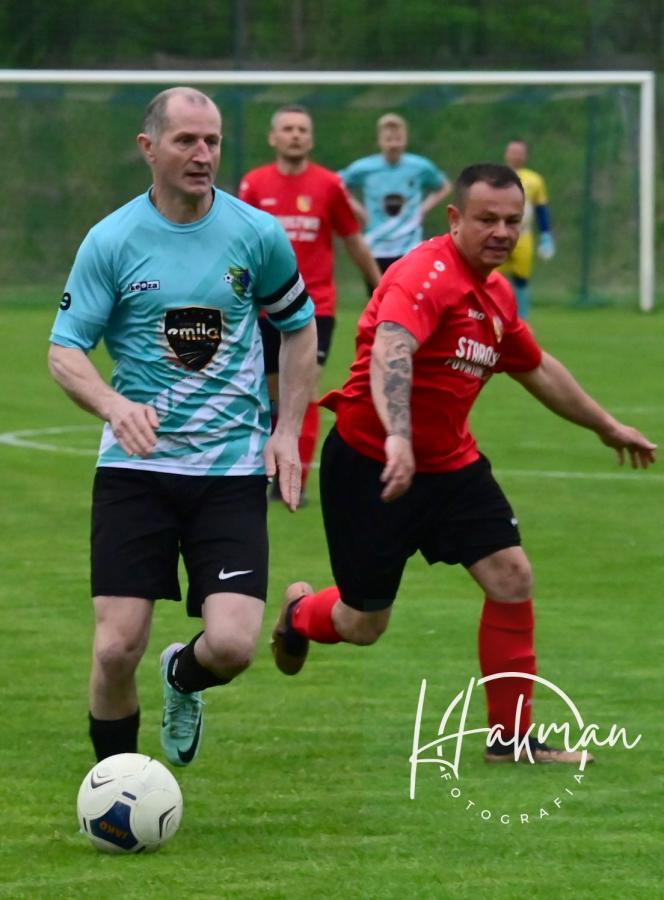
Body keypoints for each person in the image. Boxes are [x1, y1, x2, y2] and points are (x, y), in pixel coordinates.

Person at [270, 163, 656, 764]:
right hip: (372, 463)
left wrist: (607, 426)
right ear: (454, 218)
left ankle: (511, 741)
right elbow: (393, 349)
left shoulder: (497, 294)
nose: (501, 232)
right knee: (363, 624)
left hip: (451, 466)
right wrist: (399, 437)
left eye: (512, 221)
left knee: (512, 576)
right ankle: (299, 614)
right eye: (486, 219)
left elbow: (536, 367)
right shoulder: (423, 276)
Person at [48, 87, 317, 767]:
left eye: (213, 141)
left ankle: (182, 675)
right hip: (135, 469)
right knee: (116, 647)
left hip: (229, 470)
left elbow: (299, 326)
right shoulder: (112, 240)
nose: (203, 155)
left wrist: (287, 430)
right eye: (186, 141)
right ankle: (112, 789)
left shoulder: (256, 234)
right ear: (149, 148)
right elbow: (64, 350)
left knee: (231, 647)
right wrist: (113, 405)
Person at [238, 104, 381, 502]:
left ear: (311, 138)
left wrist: (381, 286)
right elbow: (239, 245)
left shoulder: (329, 185)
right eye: (288, 128)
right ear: (273, 138)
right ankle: (270, 472)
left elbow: (353, 239)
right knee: (273, 397)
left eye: (302, 129)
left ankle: (294, 481)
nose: (295, 135)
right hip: (265, 307)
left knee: (304, 389)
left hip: (315, 307)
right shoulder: (254, 185)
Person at [338, 112, 450, 283]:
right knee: (379, 295)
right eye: (388, 139)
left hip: (409, 247)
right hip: (376, 245)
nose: (393, 144)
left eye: (398, 139)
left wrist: (423, 209)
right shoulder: (365, 167)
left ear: (405, 140)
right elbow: (338, 184)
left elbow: (444, 186)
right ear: (379, 141)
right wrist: (358, 210)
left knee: (410, 294)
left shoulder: (419, 166)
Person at [502, 139, 555, 318]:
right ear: (506, 154)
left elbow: (541, 208)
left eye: (519, 152)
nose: (516, 155)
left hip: (522, 235)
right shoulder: (495, 177)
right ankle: (492, 318)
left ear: (525, 156)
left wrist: (546, 235)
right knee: (492, 277)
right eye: (512, 151)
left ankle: (521, 320)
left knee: (521, 278)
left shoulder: (534, 179)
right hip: (498, 233)